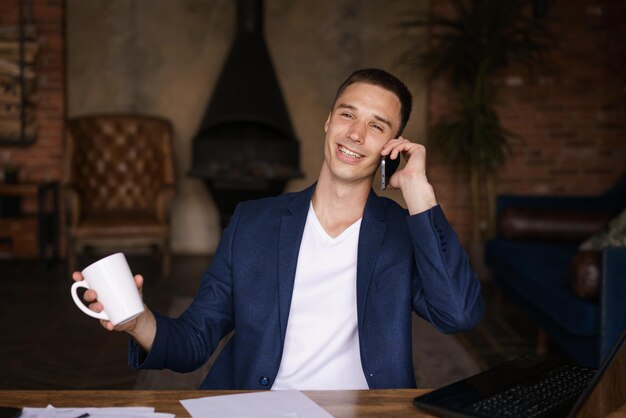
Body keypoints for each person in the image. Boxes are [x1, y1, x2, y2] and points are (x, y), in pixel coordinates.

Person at [73, 68, 484, 390]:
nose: (356, 134)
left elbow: (458, 314)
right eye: (348, 114)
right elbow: (195, 340)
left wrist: (419, 191)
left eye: (377, 126)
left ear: (392, 147)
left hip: (366, 409)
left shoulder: (401, 230)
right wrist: (136, 321)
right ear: (328, 121)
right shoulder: (254, 222)